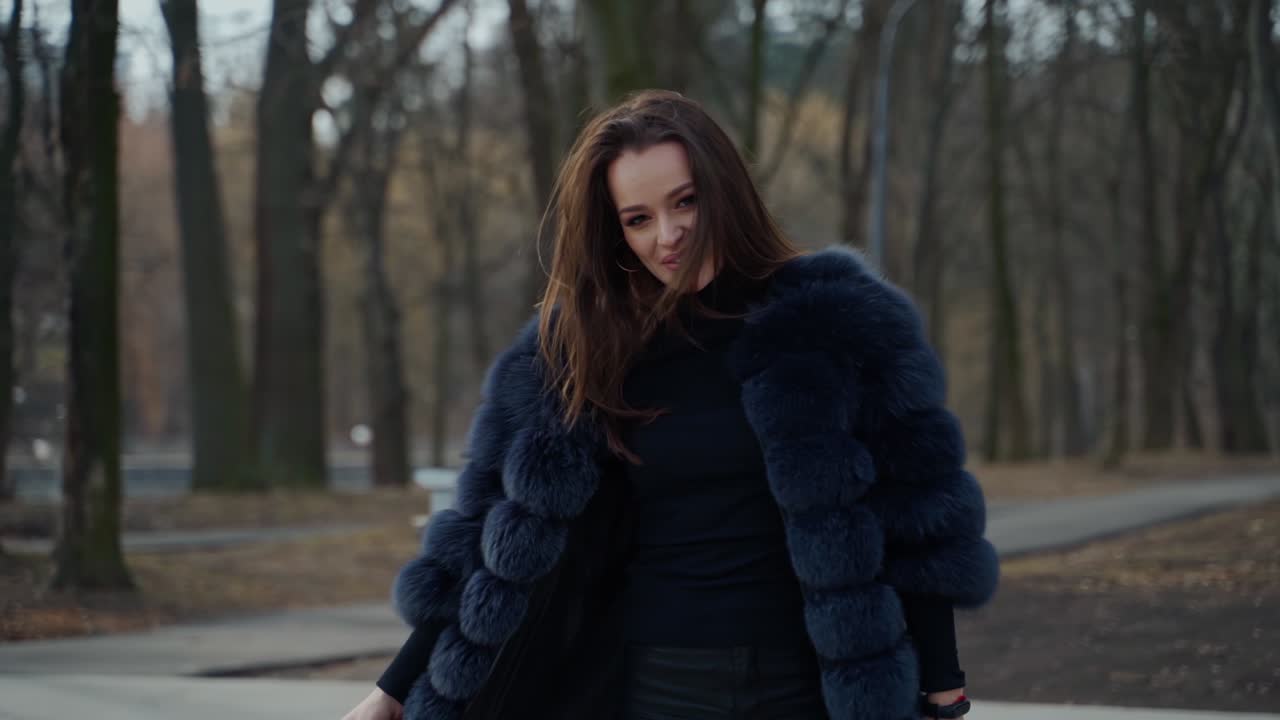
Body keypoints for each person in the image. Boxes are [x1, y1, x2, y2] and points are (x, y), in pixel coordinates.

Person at [343, 89, 997, 720]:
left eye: (686, 202)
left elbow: (919, 523)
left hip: (815, 687)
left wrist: (945, 692)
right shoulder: (575, 354)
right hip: (657, 683)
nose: (669, 235)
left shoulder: (837, 321)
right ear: (615, 232)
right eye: (638, 219)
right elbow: (493, 545)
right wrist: (396, 686)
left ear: (725, 191)